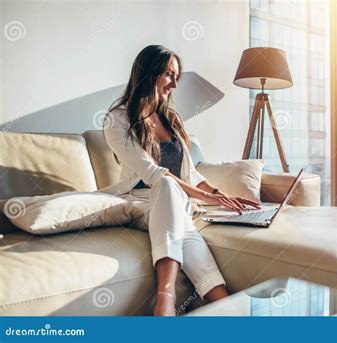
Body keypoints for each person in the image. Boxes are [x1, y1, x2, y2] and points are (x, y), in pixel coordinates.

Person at [103, 45, 260, 316]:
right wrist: (208, 198)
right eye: (168, 74)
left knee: (215, 286)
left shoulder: (170, 120)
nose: (174, 84)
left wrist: (222, 195)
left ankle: (231, 314)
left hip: (175, 206)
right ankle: (167, 295)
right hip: (141, 201)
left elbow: (190, 175)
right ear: (148, 74)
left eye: (176, 76)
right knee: (166, 186)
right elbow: (154, 173)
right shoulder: (117, 119)